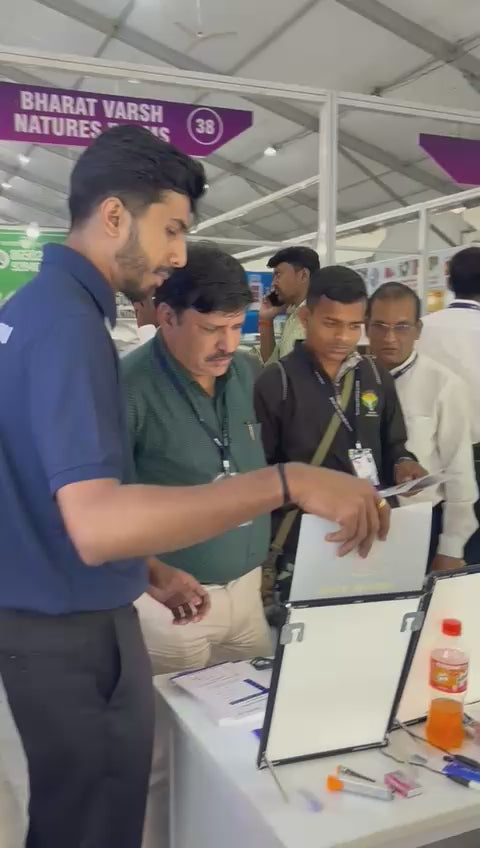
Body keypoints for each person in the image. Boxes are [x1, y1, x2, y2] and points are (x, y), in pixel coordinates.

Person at [0, 126, 389, 848]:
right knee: (97, 818)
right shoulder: (70, 329)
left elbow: (40, 494)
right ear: (114, 216)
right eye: (171, 229)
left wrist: (149, 570)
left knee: (84, 813)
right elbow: (96, 521)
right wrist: (286, 481)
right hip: (71, 632)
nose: (178, 252)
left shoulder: (37, 312)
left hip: (66, 616)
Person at [124, 243, 272, 673]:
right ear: (167, 316)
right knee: (175, 714)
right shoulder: (127, 390)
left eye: (236, 326)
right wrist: (151, 572)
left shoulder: (246, 372)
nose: (228, 344)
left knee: (254, 708)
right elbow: (94, 508)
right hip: (171, 608)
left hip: (247, 595)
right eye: (211, 329)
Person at [255, 266, 423, 595]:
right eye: (331, 323)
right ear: (306, 318)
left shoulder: (375, 375)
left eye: (354, 326)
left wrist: (404, 463)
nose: (343, 337)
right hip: (306, 539)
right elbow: (261, 473)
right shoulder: (277, 382)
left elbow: (394, 444)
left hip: (372, 530)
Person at [367, 282, 477, 571]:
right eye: (380, 326)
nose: (390, 338)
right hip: (361, 523)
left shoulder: (443, 385)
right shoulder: (351, 380)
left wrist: (451, 546)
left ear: (418, 330)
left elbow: (459, 472)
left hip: (420, 524)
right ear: (366, 327)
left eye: (402, 327)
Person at [418, 247, 480, 564]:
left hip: (426, 458)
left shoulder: (420, 328)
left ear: (448, 279)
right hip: (475, 454)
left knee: (429, 552)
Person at [258, 246, 320, 364]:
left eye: (278, 275)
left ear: (303, 275)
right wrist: (265, 319)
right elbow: (272, 364)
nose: (273, 283)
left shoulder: (317, 318)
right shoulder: (293, 315)